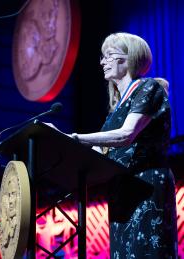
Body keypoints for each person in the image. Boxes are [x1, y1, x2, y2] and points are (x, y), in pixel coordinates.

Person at [48, 32, 178, 258]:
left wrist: (75, 137)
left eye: (107, 55)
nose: (101, 62)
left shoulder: (148, 88)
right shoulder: (116, 110)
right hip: (121, 190)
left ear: (127, 58)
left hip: (145, 184)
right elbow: (98, 152)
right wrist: (59, 141)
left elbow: (125, 135)